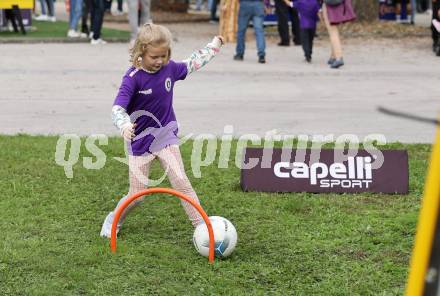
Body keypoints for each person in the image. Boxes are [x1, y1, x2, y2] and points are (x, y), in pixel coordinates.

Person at [100, 23, 225, 238]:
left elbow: (194, 62)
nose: (159, 61)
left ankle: (202, 228)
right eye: (154, 57)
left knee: (181, 182)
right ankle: (114, 218)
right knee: (137, 196)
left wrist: (213, 46)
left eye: (164, 55)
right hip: (139, 142)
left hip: (166, 136)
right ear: (141, 52)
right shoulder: (133, 78)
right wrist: (124, 125)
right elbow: (117, 108)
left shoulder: (170, 68)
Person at [319, 0, 356, 69]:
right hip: (340, 5)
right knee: (335, 30)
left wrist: (319, 8)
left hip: (329, 5)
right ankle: (333, 56)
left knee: (332, 31)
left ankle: (338, 57)